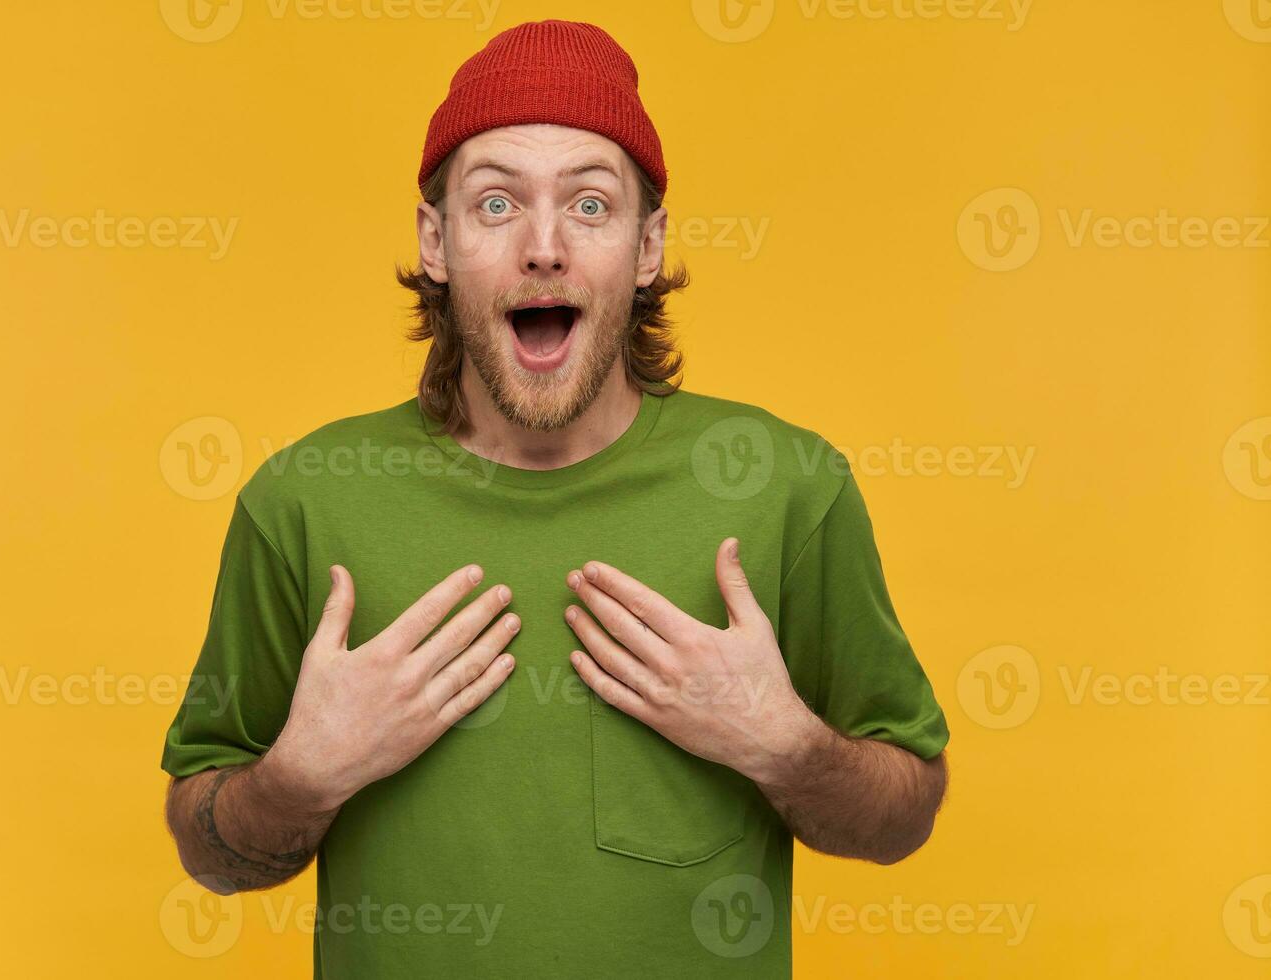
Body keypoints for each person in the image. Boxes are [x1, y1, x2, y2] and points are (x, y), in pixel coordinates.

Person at [160, 19, 949, 978]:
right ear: (436, 239)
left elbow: (902, 815)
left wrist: (785, 747)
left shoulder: (788, 488)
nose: (544, 247)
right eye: (495, 203)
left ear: (647, 245)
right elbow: (211, 850)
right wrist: (298, 777)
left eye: (589, 204)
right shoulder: (301, 503)